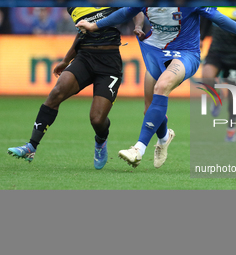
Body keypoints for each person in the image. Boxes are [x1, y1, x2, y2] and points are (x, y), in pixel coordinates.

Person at [76, 7, 236, 168]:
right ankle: (164, 137)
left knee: (162, 86)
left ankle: (138, 149)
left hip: (185, 54)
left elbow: (218, 18)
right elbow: (126, 12)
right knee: (149, 109)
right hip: (155, 51)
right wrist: (96, 26)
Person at [7, 7, 143, 170]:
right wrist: (66, 60)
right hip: (84, 58)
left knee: (97, 119)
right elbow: (81, 33)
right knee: (56, 94)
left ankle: (101, 140)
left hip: (109, 64)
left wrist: (139, 26)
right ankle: (31, 147)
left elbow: (137, 10)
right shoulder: (74, 7)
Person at [200, 7, 236, 142]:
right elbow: (206, 20)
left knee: (233, 96)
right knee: (206, 76)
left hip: (234, 57)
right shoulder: (216, 5)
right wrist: (201, 38)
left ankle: (231, 129)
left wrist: (234, 30)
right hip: (215, 52)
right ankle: (216, 95)